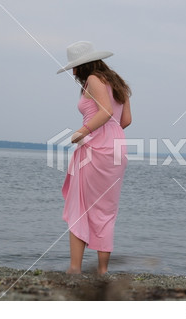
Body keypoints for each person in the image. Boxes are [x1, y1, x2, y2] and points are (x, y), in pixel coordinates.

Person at [57, 41, 131, 275]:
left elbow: (106, 111)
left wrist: (83, 131)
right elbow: (125, 120)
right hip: (117, 146)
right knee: (106, 210)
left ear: (81, 66)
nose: (74, 72)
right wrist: (110, 133)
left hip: (96, 146)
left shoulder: (93, 80)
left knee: (80, 204)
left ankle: (75, 268)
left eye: (74, 67)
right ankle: (102, 271)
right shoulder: (118, 82)